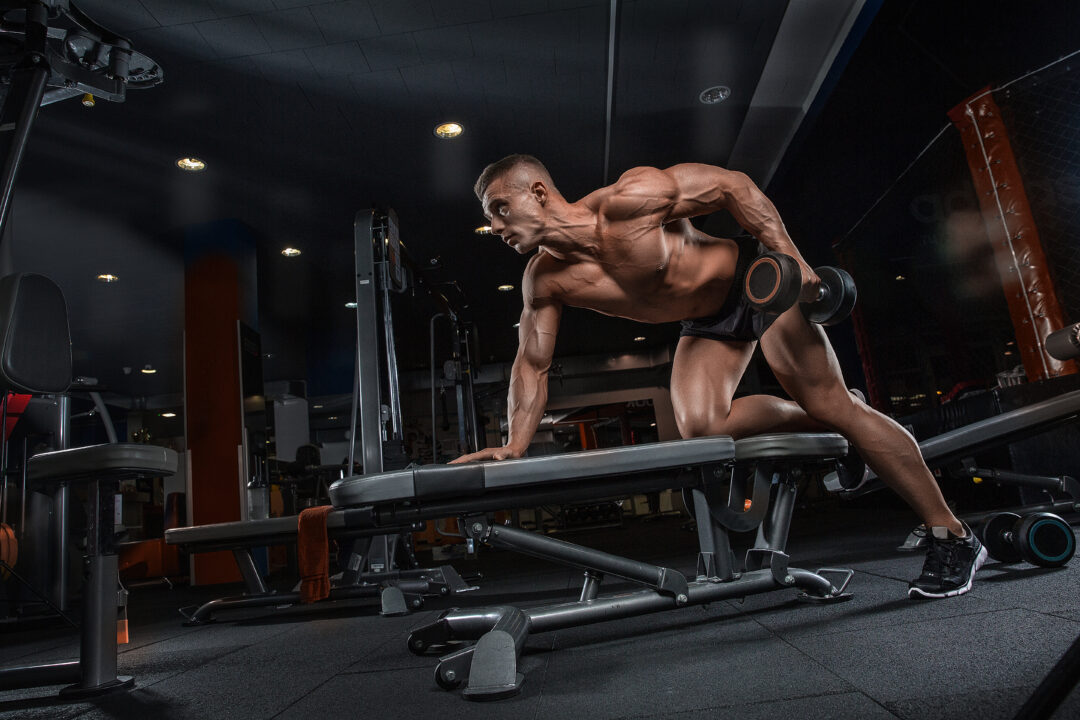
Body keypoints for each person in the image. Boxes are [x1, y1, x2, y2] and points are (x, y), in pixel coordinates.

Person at [452, 154, 985, 599]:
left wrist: (791, 266)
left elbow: (733, 187)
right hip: (707, 324)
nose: (495, 226)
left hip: (758, 283)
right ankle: (834, 422)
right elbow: (532, 361)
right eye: (490, 216)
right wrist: (514, 444)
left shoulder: (629, 201)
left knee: (835, 408)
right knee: (704, 428)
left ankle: (953, 535)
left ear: (540, 192)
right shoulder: (545, 279)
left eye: (502, 207)